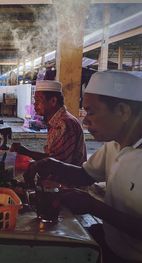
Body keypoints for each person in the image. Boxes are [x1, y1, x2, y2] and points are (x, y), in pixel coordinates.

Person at [25, 71, 142, 262]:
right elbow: (85, 175)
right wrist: (51, 165)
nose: (85, 120)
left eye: (91, 112)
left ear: (123, 111)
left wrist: (93, 206)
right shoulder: (114, 146)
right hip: (109, 243)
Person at [12, 80, 87, 166]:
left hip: (67, 179)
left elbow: (57, 164)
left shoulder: (64, 124)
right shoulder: (55, 121)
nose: (35, 105)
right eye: (34, 101)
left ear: (53, 101)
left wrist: (26, 152)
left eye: (38, 100)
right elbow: (52, 157)